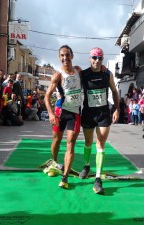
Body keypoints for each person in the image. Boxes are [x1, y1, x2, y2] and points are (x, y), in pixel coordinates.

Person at [79, 47, 120, 194]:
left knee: (100, 143)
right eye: (94, 57)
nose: (97, 60)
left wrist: (116, 109)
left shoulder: (107, 74)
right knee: (88, 142)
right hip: (88, 113)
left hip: (103, 113)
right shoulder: (83, 74)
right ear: (89, 58)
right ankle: (86, 165)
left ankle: (97, 178)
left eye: (100, 58)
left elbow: (115, 91)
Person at [44, 45, 82, 189]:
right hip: (60, 111)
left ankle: (65, 177)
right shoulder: (57, 75)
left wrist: (103, 68)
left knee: (70, 144)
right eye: (62, 55)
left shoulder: (78, 71)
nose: (64, 58)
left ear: (72, 55)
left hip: (75, 112)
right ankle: (54, 162)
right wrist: (51, 113)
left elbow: (92, 73)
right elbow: (47, 96)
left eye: (67, 55)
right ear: (59, 57)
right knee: (57, 140)